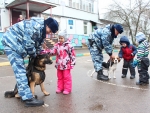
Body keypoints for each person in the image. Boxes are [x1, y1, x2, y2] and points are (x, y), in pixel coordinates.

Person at [2, 17, 59, 107]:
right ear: (47, 25)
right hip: (12, 43)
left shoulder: (41, 29)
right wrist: (34, 55)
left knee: (22, 71)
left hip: (17, 45)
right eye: (51, 30)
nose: (50, 33)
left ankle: (23, 94)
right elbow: (28, 44)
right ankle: (28, 99)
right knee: (20, 71)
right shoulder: (35, 27)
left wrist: (38, 53)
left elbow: (38, 45)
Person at [44, 30, 76, 95]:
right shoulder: (57, 45)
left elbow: (72, 55)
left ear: (65, 38)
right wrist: (46, 50)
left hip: (66, 65)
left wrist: (72, 63)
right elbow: (53, 51)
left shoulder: (69, 46)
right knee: (59, 77)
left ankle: (67, 89)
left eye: (62, 38)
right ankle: (60, 88)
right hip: (59, 65)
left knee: (67, 78)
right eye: (59, 38)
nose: (60, 40)